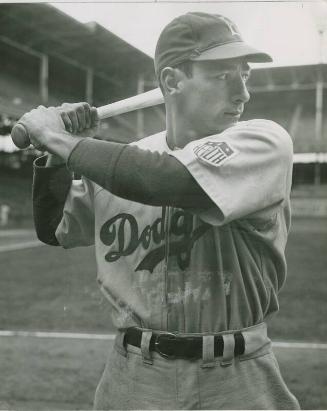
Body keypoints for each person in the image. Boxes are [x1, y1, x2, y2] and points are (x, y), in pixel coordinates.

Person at [19, 12, 300, 410]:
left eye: (245, 74)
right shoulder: (120, 162)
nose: (242, 93)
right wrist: (55, 155)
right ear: (171, 82)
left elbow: (169, 180)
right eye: (223, 75)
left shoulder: (265, 141)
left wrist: (56, 137)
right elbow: (53, 229)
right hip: (131, 377)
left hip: (234, 377)